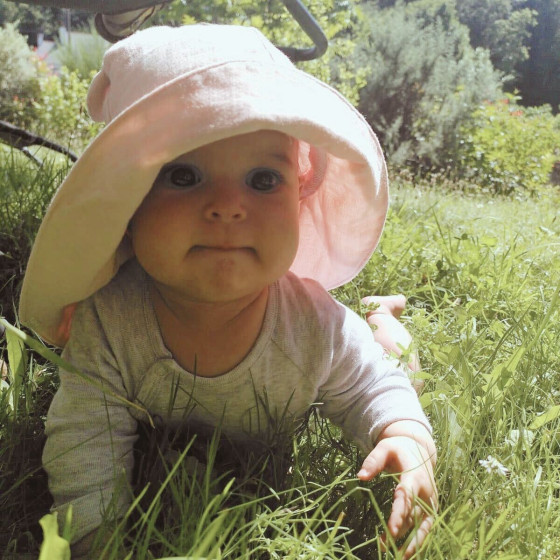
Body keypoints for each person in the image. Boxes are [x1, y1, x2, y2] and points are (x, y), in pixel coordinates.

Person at [19, 24, 436, 559]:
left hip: (355, 344)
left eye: (262, 180)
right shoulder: (110, 321)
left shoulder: (313, 323)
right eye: (184, 176)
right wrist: (95, 539)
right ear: (129, 209)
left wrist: (408, 438)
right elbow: (84, 434)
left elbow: (371, 385)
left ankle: (384, 315)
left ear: (298, 196)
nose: (226, 206)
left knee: (395, 357)